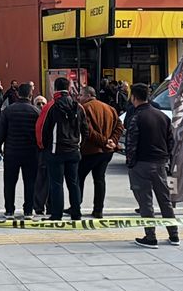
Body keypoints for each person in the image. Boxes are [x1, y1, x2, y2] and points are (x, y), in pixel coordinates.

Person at [125, 82, 178, 247]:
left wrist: (130, 163)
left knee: (145, 202)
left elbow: (131, 143)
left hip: (141, 163)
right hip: (160, 163)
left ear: (133, 97)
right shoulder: (162, 116)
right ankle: (174, 234)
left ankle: (150, 236)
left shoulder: (136, 117)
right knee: (165, 200)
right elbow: (171, 142)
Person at [36, 77, 84, 221]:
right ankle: (76, 212)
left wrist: (43, 147)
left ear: (55, 88)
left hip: (55, 150)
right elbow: (85, 129)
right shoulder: (78, 107)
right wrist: (79, 145)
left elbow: (41, 129)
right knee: (73, 183)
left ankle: (56, 215)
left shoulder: (50, 106)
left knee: (56, 184)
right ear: (69, 88)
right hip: (74, 150)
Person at [0, 82, 41, 218]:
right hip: (31, 153)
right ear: (30, 95)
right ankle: (28, 210)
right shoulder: (35, 112)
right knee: (30, 182)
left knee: (9, 182)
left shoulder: (8, 111)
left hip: (12, 152)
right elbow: (40, 133)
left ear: (18, 94)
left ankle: (9, 210)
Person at [77, 86, 122, 219]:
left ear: (88, 95)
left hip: (90, 150)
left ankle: (76, 206)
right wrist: (112, 141)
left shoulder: (84, 108)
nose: (79, 97)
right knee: (99, 179)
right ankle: (98, 209)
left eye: (81, 95)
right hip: (107, 151)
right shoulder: (110, 108)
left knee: (79, 177)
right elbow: (119, 126)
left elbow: (88, 131)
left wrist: (105, 141)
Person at [32, 95, 49, 216]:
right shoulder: (32, 116)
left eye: (43, 103)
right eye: (38, 104)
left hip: (46, 152)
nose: (41, 106)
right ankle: (38, 206)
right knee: (38, 181)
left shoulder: (49, 116)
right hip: (35, 153)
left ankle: (49, 206)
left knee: (48, 181)